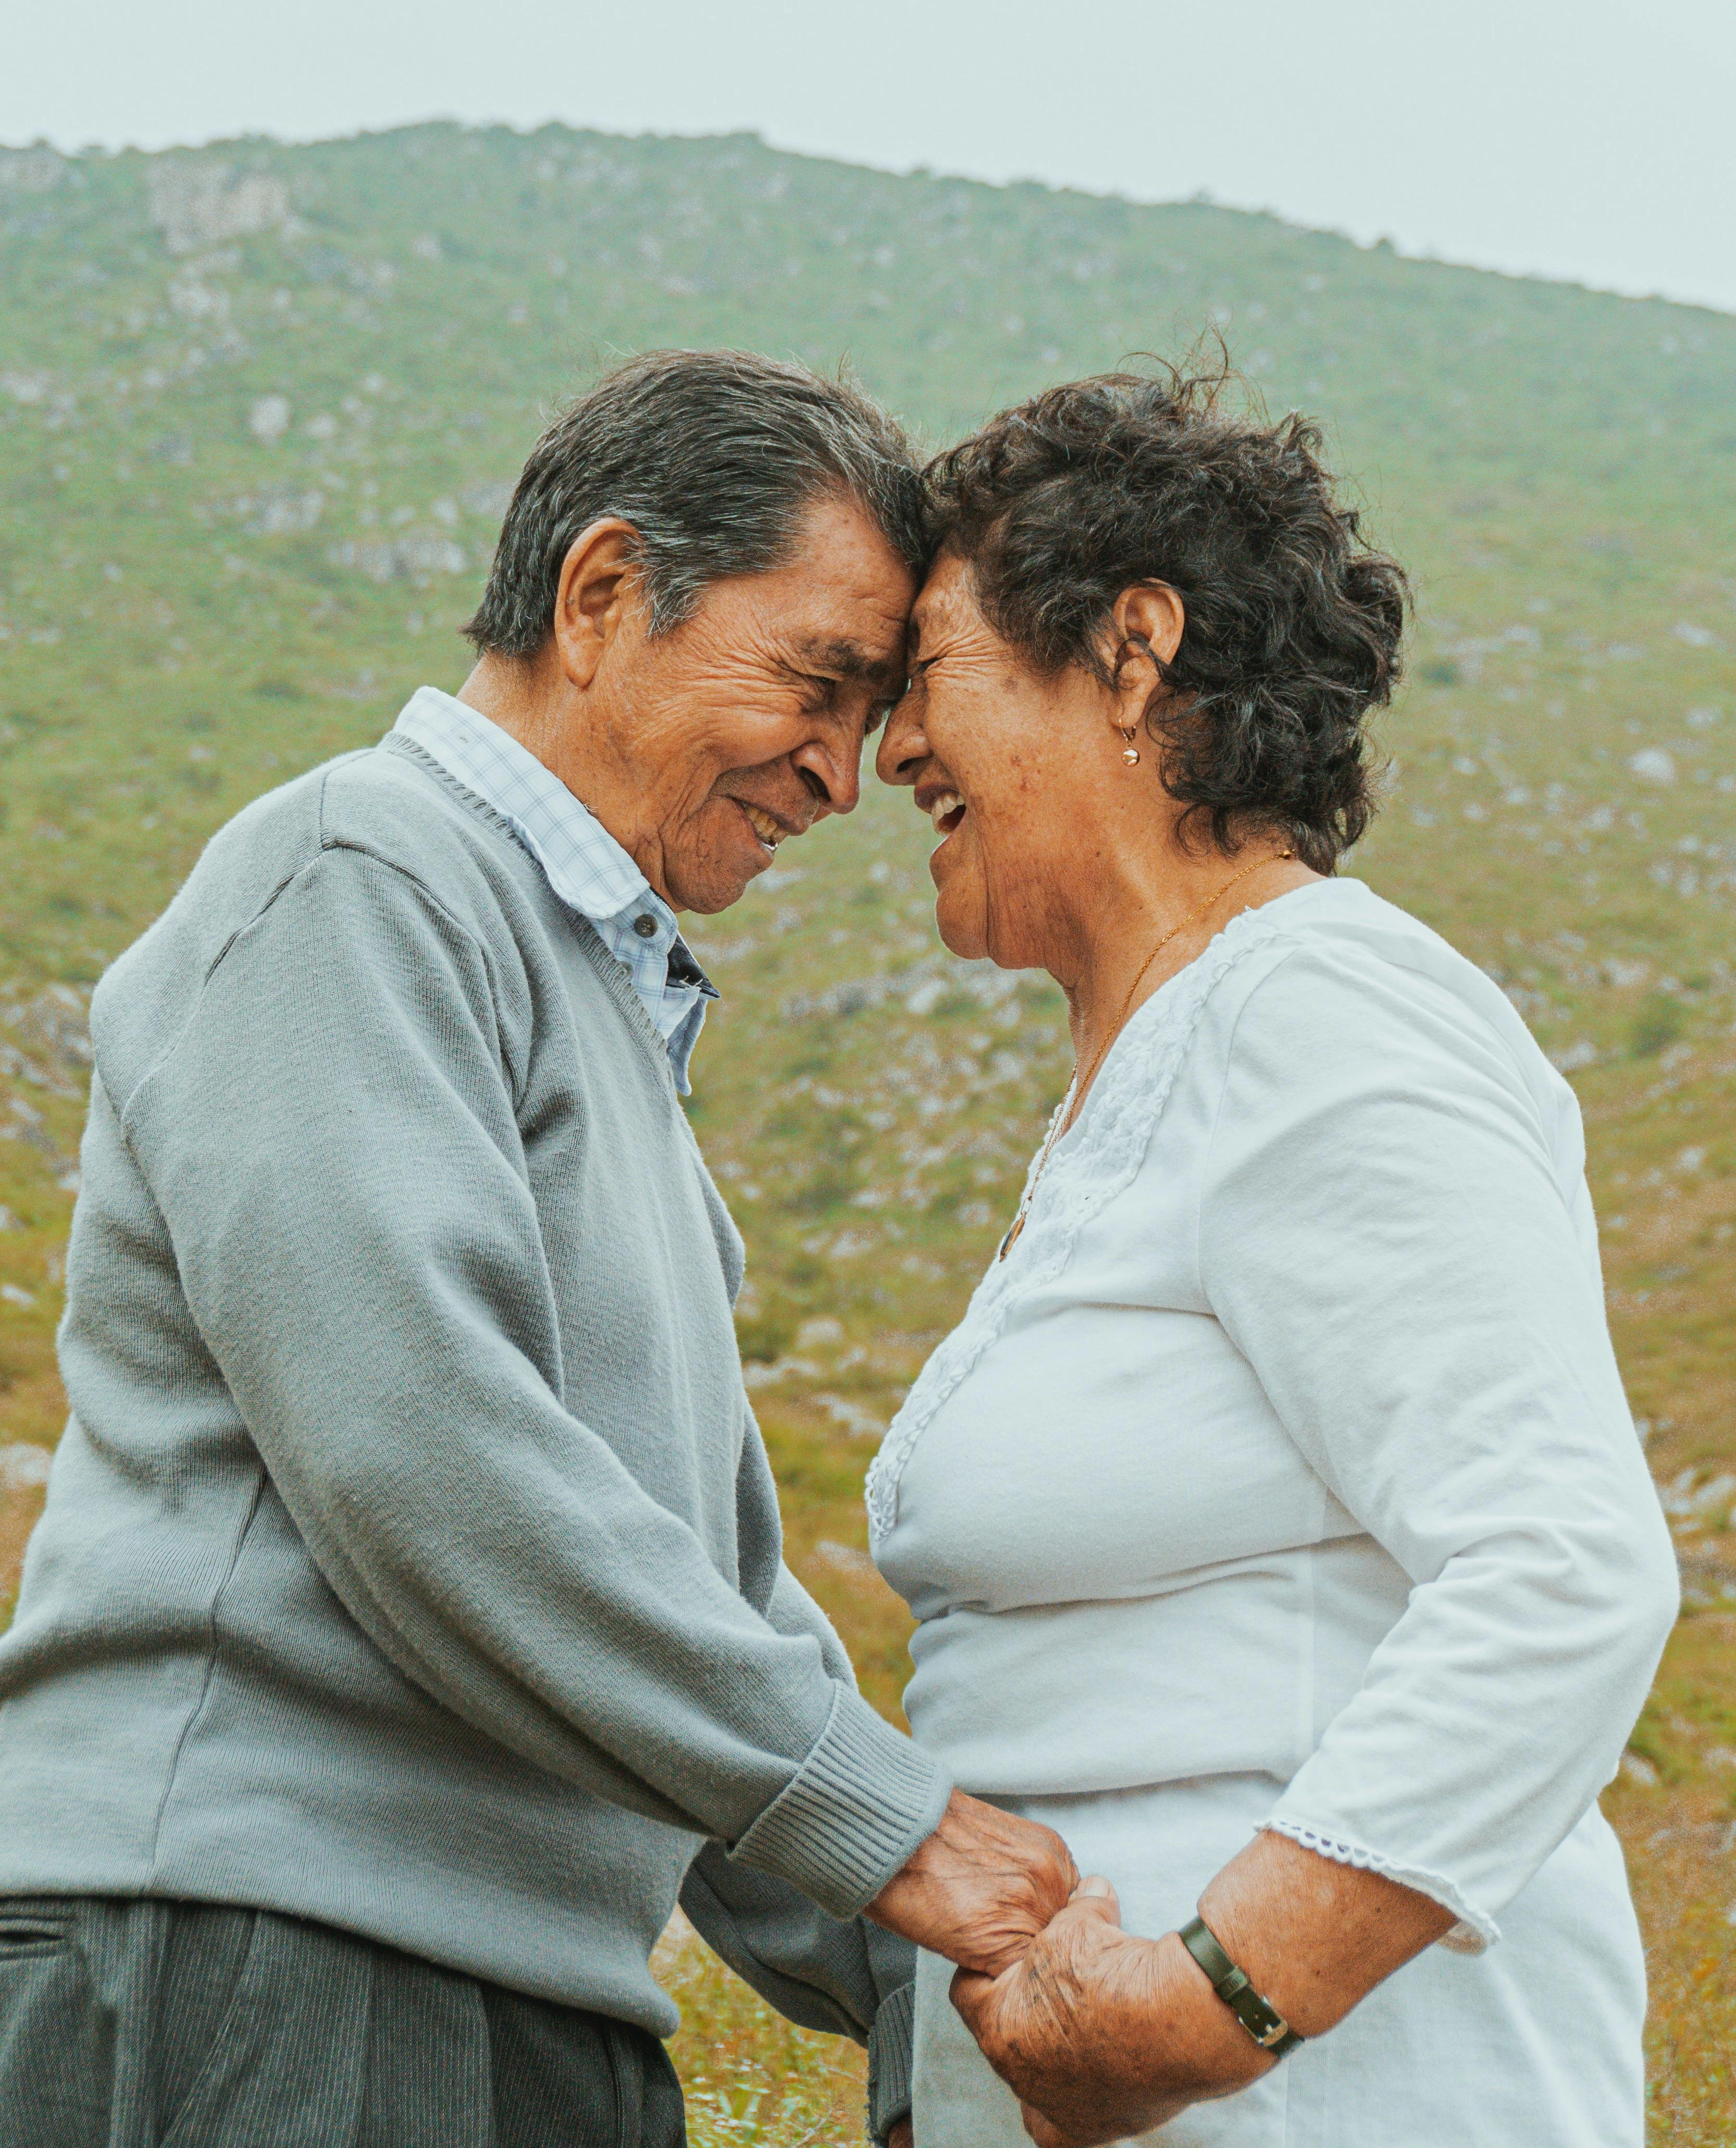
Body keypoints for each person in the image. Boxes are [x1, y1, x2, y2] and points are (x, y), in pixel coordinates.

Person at [0, 351, 1078, 2148]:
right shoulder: (357, 875)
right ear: (601, 594)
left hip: (521, 2003)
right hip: (267, 1961)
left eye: (872, 710)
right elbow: (418, 1449)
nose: (841, 771)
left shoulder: (597, 1008)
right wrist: (895, 1834)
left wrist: (923, 1971)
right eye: (814, 681)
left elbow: (696, 1582)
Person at [869, 367, 1680, 2146]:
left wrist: (1209, 2002)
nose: (890, 749)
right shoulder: (1156, 1067)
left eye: (926, 671)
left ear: (1130, 651)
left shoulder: (1313, 1011)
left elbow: (1559, 1564)